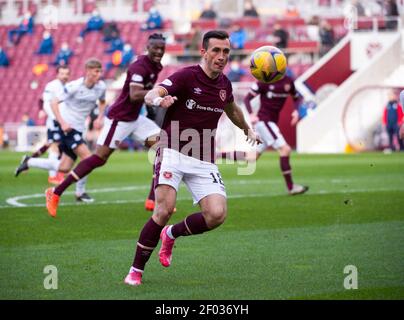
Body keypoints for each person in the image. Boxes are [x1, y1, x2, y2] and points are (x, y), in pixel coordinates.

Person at [123, 30, 261, 286]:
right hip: (172, 151)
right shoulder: (187, 76)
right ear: (204, 51)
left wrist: (247, 129)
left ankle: (171, 234)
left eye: (226, 52)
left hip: (203, 159)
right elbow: (156, 91)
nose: (221, 57)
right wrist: (157, 101)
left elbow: (232, 109)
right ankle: (135, 270)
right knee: (163, 209)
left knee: (216, 215)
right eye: (216, 51)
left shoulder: (225, 84)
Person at [44, 34, 166, 217]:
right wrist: (158, 95)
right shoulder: (139, 66)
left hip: (135, 119)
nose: (159, 51)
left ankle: (153, 200)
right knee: (99, 158)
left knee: (164, 148)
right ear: (147, 47)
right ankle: (55, 192)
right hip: (120, 119)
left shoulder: (156, 66)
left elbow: (143, 95)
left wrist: (149, 108)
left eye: (162, 48)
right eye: (155, 48)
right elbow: (134, 94)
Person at [15, 59, 107, 206]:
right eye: (96, 71)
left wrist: (100, 117)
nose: (99, 74)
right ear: (88, 71)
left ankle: (29, 161)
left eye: (100, 71)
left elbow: (102, 101)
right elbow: (53, 102)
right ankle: (80, 192)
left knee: (64, 167)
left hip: (79, 128)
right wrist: (62, 122)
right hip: (67, 128)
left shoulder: (101, 86)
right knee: (88, 160)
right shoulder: (74, 86)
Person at [244, 69, 309, 195]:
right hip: (264, 121)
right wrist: (251, 114)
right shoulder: (264, 81)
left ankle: (218, 155)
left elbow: (297, 97)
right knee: (285, 149)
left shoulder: (288, 82)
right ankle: (291, 187)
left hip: (271, 122)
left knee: (251, 158)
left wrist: (296, 111)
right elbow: (247, 99)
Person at [15, 65, 70, 185]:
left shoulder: (68, 86)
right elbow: (46, 103)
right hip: (55, 121)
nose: (65, 76)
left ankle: (29, 160)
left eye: (66, 74)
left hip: (62, 121)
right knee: (54, 146)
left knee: (54, 145)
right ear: (57, 74)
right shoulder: (52, 85)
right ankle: (53, 176)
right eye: (62, 73)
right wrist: (56, 118)